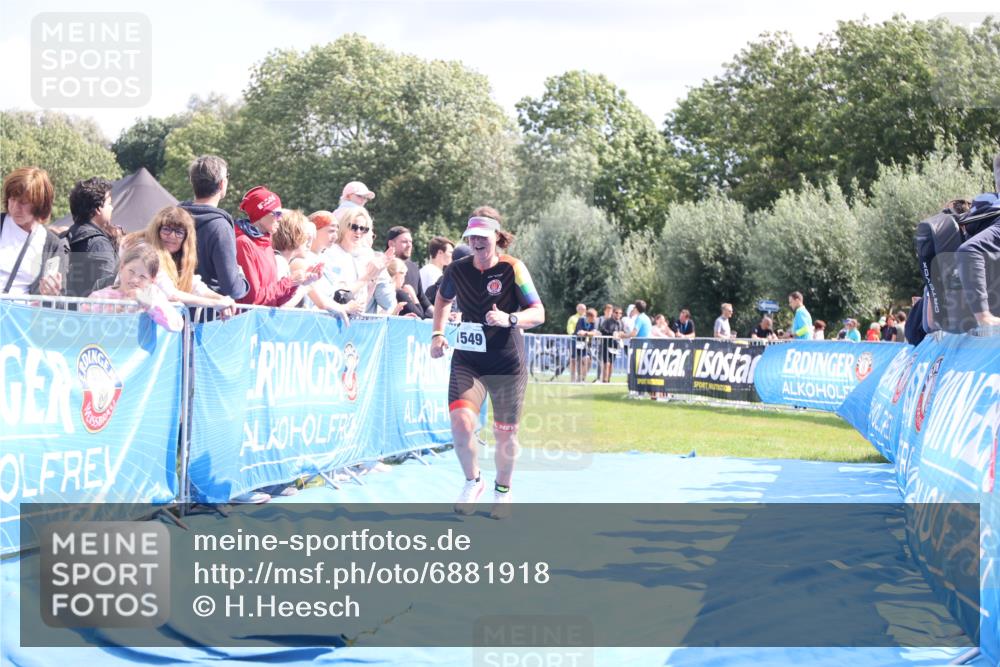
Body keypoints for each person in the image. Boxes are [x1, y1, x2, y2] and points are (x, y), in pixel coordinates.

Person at [430, 206, 544, 520]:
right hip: (468, 361)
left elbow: (538, 312)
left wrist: (510, 318)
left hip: (507, 362)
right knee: (461, 423)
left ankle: (502, 492)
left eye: (484, 236)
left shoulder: (513, 268)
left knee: (505, 433)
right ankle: (472, 482)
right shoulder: (457, 269)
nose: (478, 242)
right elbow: (443, 299)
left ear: (496, 236)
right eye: (472, 237)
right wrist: (437, 333)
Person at [234, 186, 321, 306]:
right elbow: (253, 299)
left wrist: (298, 283)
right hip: (249, 322)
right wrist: (290, 281)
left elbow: (276, 301)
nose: (280, 219)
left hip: (263, 321)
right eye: (277, 214)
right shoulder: (243, 243)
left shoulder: (267, 244)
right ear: (261, 214)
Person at [178, 155, 248, 301]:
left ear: (192, 182)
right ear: (222, 184)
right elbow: (232, 288)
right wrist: (242, 280)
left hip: (173, 312)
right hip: (210, 316)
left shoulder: (171, 219)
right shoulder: (220, 228)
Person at [144, 206, 234, 311]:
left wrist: (223, 299)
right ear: (157, 231)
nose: (172, 236)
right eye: (166, 229)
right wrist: (216, 303)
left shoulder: (176, 259)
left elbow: (195, 286)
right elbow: (171, 294)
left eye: (179, 232)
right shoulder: (146, 253)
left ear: (186, 238)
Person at [84, 243, 183, 332]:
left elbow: (177, 325)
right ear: (122, 268)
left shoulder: (153, 294)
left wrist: (148, 303)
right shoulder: (99, 296)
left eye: (143, 277)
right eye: (131, 271)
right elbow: (84, 327)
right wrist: (118, 309)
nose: (135, 280)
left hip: (141, 352)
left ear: (152, 280)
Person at [0, 167, 65, 297]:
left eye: (24, 202)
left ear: (40, 204)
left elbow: (58, 301)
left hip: (21, 315)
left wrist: (52, 294)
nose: (15, 207)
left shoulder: (52, 245)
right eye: (12, 199)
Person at [324, 205, 393, 316]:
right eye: (354, 227)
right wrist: (368, 277)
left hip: (358, 319)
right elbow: (337, 295)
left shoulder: (368, 255)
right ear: (344, 226)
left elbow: (366, 297)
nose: (358, 232)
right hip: (334, 317)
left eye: (364, 229)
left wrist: (376, 277)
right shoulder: (331, 253)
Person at [64, 177, 119, 297]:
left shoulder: (63, 238)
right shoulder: (99, 244)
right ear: (98, 209)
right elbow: (106, 290)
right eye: (109, 203)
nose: (112, 208)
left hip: (62, 312)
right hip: (91, 313)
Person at [386, 226, 432, 316]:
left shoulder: (413, 267)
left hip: (413, 322)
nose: (409, 245)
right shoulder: (382, 266)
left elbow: (422, 297)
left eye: (410, 241)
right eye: (404, 242)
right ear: (391, 244)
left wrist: (441, 315)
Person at [598, 306, 625, 383]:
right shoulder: (607, 321)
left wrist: (621, 334)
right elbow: (602, 330)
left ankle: (608, 380)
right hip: (607, 344)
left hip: (615, 345)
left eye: (620, 313)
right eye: (616, 312)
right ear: (613, 313)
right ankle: (604, 380)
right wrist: (612, 333)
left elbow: (622, 331)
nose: (618, 314)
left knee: (612, 363)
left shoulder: (621, 322)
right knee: (606, 363)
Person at [572, 308, 599, 381]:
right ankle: (575, 379)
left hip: (585, 344)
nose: (595, 319)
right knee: (576, 360)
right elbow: (580, 333)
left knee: (588, 361)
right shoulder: (581, 320)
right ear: (589, 317)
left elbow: (594, 333)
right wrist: (588, 333)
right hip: (576, 342)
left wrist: (586, 333)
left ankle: (582, 378)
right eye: (594, 317)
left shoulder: (593, 322)